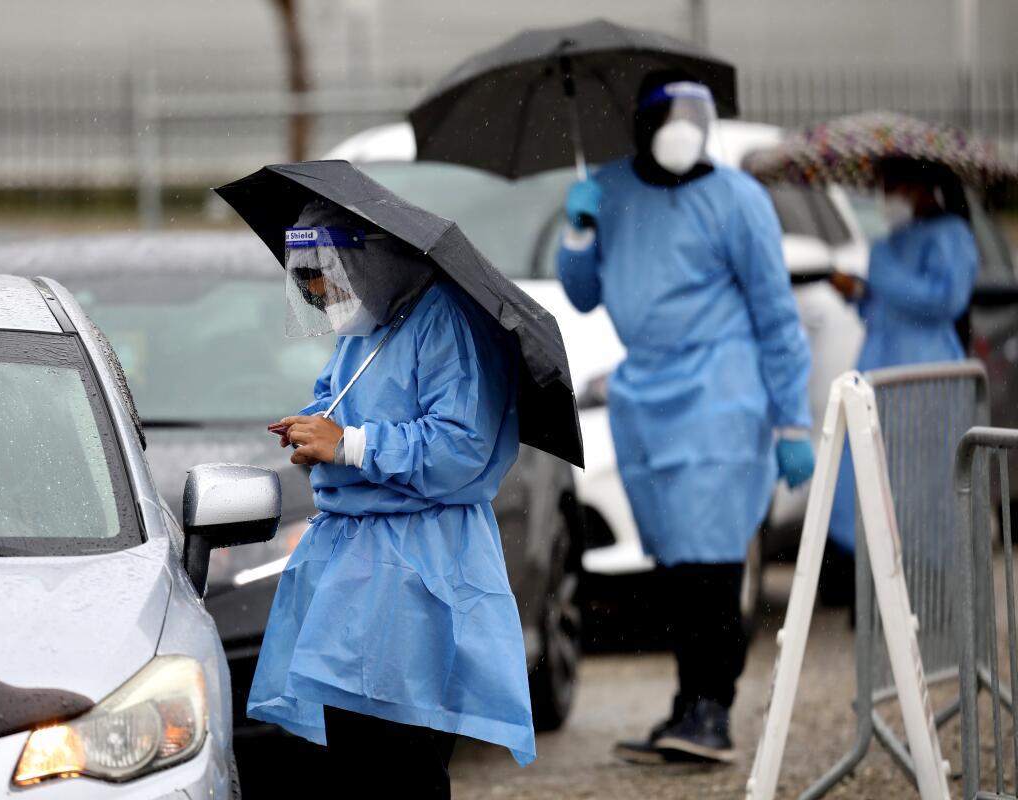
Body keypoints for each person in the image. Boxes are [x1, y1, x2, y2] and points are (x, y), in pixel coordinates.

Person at [557, 72, 815, 764]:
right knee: (672, 563)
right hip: (646, 402)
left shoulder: (738, 199)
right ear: (642, 123)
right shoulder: (608, 191)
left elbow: (776, 315)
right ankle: (687, 705)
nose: (684, 129)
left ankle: (713, 709)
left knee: (710, 564)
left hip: (720, 396)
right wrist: (578, 232)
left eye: (696, 115)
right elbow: (582, 298)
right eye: (670, 114)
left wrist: (793, 421)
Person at [247, 199, 535, 798]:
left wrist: (350, 444)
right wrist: (311, 428)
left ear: (367, 259)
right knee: (357, 752)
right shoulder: (365, 325)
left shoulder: (445, 322)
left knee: (399, 757)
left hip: (418, 569)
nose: (320, 294)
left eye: (324, 275)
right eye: (306, 282)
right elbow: (334, 399)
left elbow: (462, 447)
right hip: (357, 570)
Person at [825, 159, 978, 556]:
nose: (886, 198)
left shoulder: (950, 235)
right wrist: (860, 292)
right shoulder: (890, 242)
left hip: (926, 375)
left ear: (923, 188)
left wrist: (881, 273)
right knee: (873, 479)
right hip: (879, 371)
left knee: (921, 484)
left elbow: (943, 299)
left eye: (894, 187)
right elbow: (886, 309)